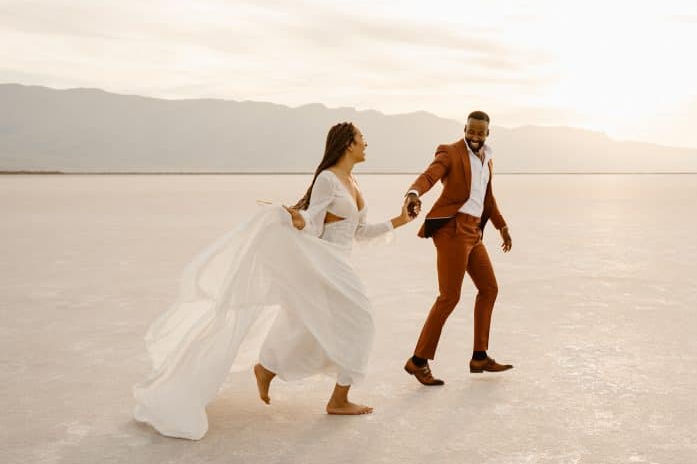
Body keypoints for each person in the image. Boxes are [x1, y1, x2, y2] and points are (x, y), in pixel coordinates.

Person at [134, 122, 416, 439]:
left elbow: (360, 232)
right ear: (348, 144)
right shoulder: (328, 180)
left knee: (310, 324)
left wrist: (401, 220)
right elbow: (313, 222)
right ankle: (338, 399)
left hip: (340, 264)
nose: (367, 145)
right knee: (360, 320)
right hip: (323, 262)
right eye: (362, 140)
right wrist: (297, 218)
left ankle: (267, 368)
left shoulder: (354, 183)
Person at [402, 111, 513, 386]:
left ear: (488, 133)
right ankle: (418, 361)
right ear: (465, 128)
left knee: (489, 289)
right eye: (471, 131)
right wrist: (414, 192)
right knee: (449, 296)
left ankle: (479, 355)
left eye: (480, 132)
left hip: (474, 231)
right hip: (452, 231)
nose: (475, 136)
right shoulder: (451, 152)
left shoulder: (487, 158)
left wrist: (501, 225)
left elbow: (487, 196)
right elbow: (431, 175)